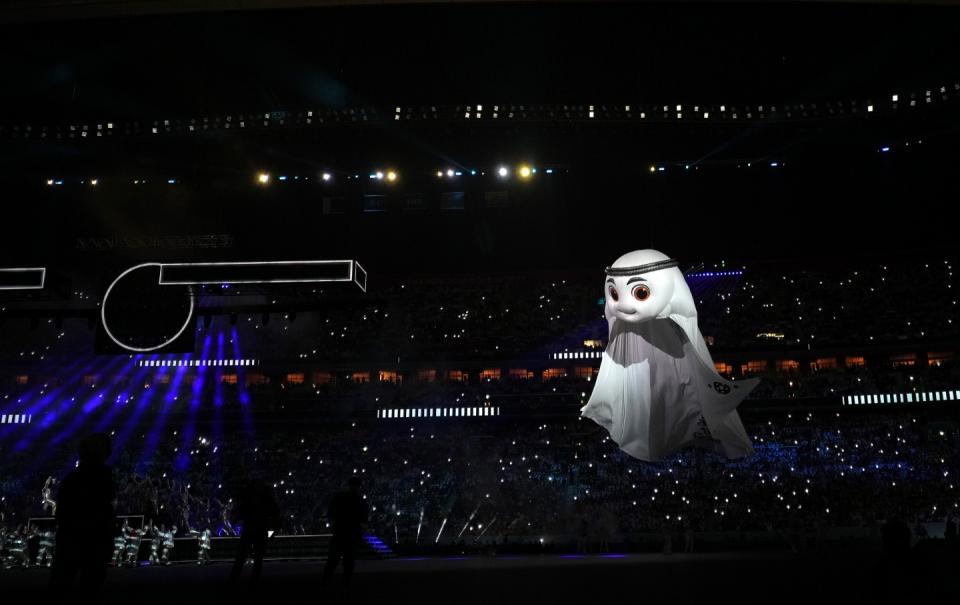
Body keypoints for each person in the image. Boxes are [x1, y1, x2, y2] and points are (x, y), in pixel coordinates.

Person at [51, 433, 116, 597]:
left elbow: (61, 514)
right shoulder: (104, 477)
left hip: (74, 541)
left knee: (65, 587)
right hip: (86, 542)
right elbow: (106, 510)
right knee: (86, 588)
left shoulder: (72, 479)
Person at [228, 479, 279, 588]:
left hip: (251, 530)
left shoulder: (250, 498)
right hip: (259, 530)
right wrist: (272, 533)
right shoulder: (267, 499)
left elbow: (240, 511)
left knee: (242, 557)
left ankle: (233, 581)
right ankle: (252, 583)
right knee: (257, 559)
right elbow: (275, 516)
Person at [322, 477, 368, 589]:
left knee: (334, 559)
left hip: (340, 531)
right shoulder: (359, 499)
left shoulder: (340, 497)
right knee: (348, 561)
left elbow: (331, 512)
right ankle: (344, 584)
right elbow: (364, 517)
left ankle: (326, 582)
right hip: (351, 533)